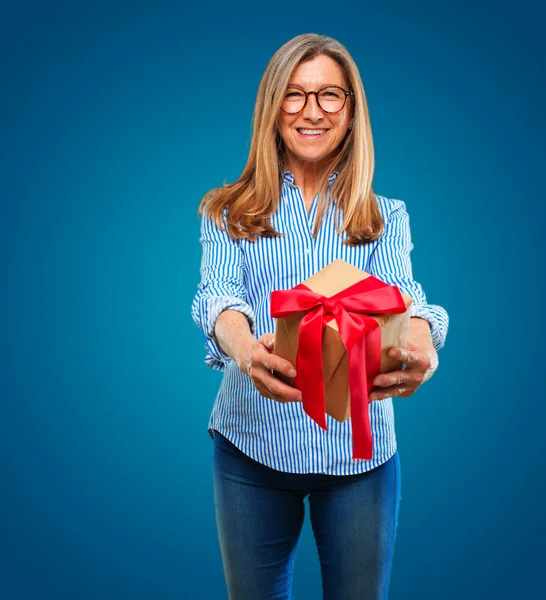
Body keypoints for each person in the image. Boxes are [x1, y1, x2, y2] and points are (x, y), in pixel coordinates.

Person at [191, 33, 449, 600]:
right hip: (250, 448)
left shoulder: (386, 216)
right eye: (294, 94)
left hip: (359, 457)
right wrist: (245, 348)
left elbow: (406, 299)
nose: (312, 111)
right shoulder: (228, 211)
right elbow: (218, 296)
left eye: (330, 95)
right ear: (272, 107)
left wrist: (423, 344)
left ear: (351, 111)